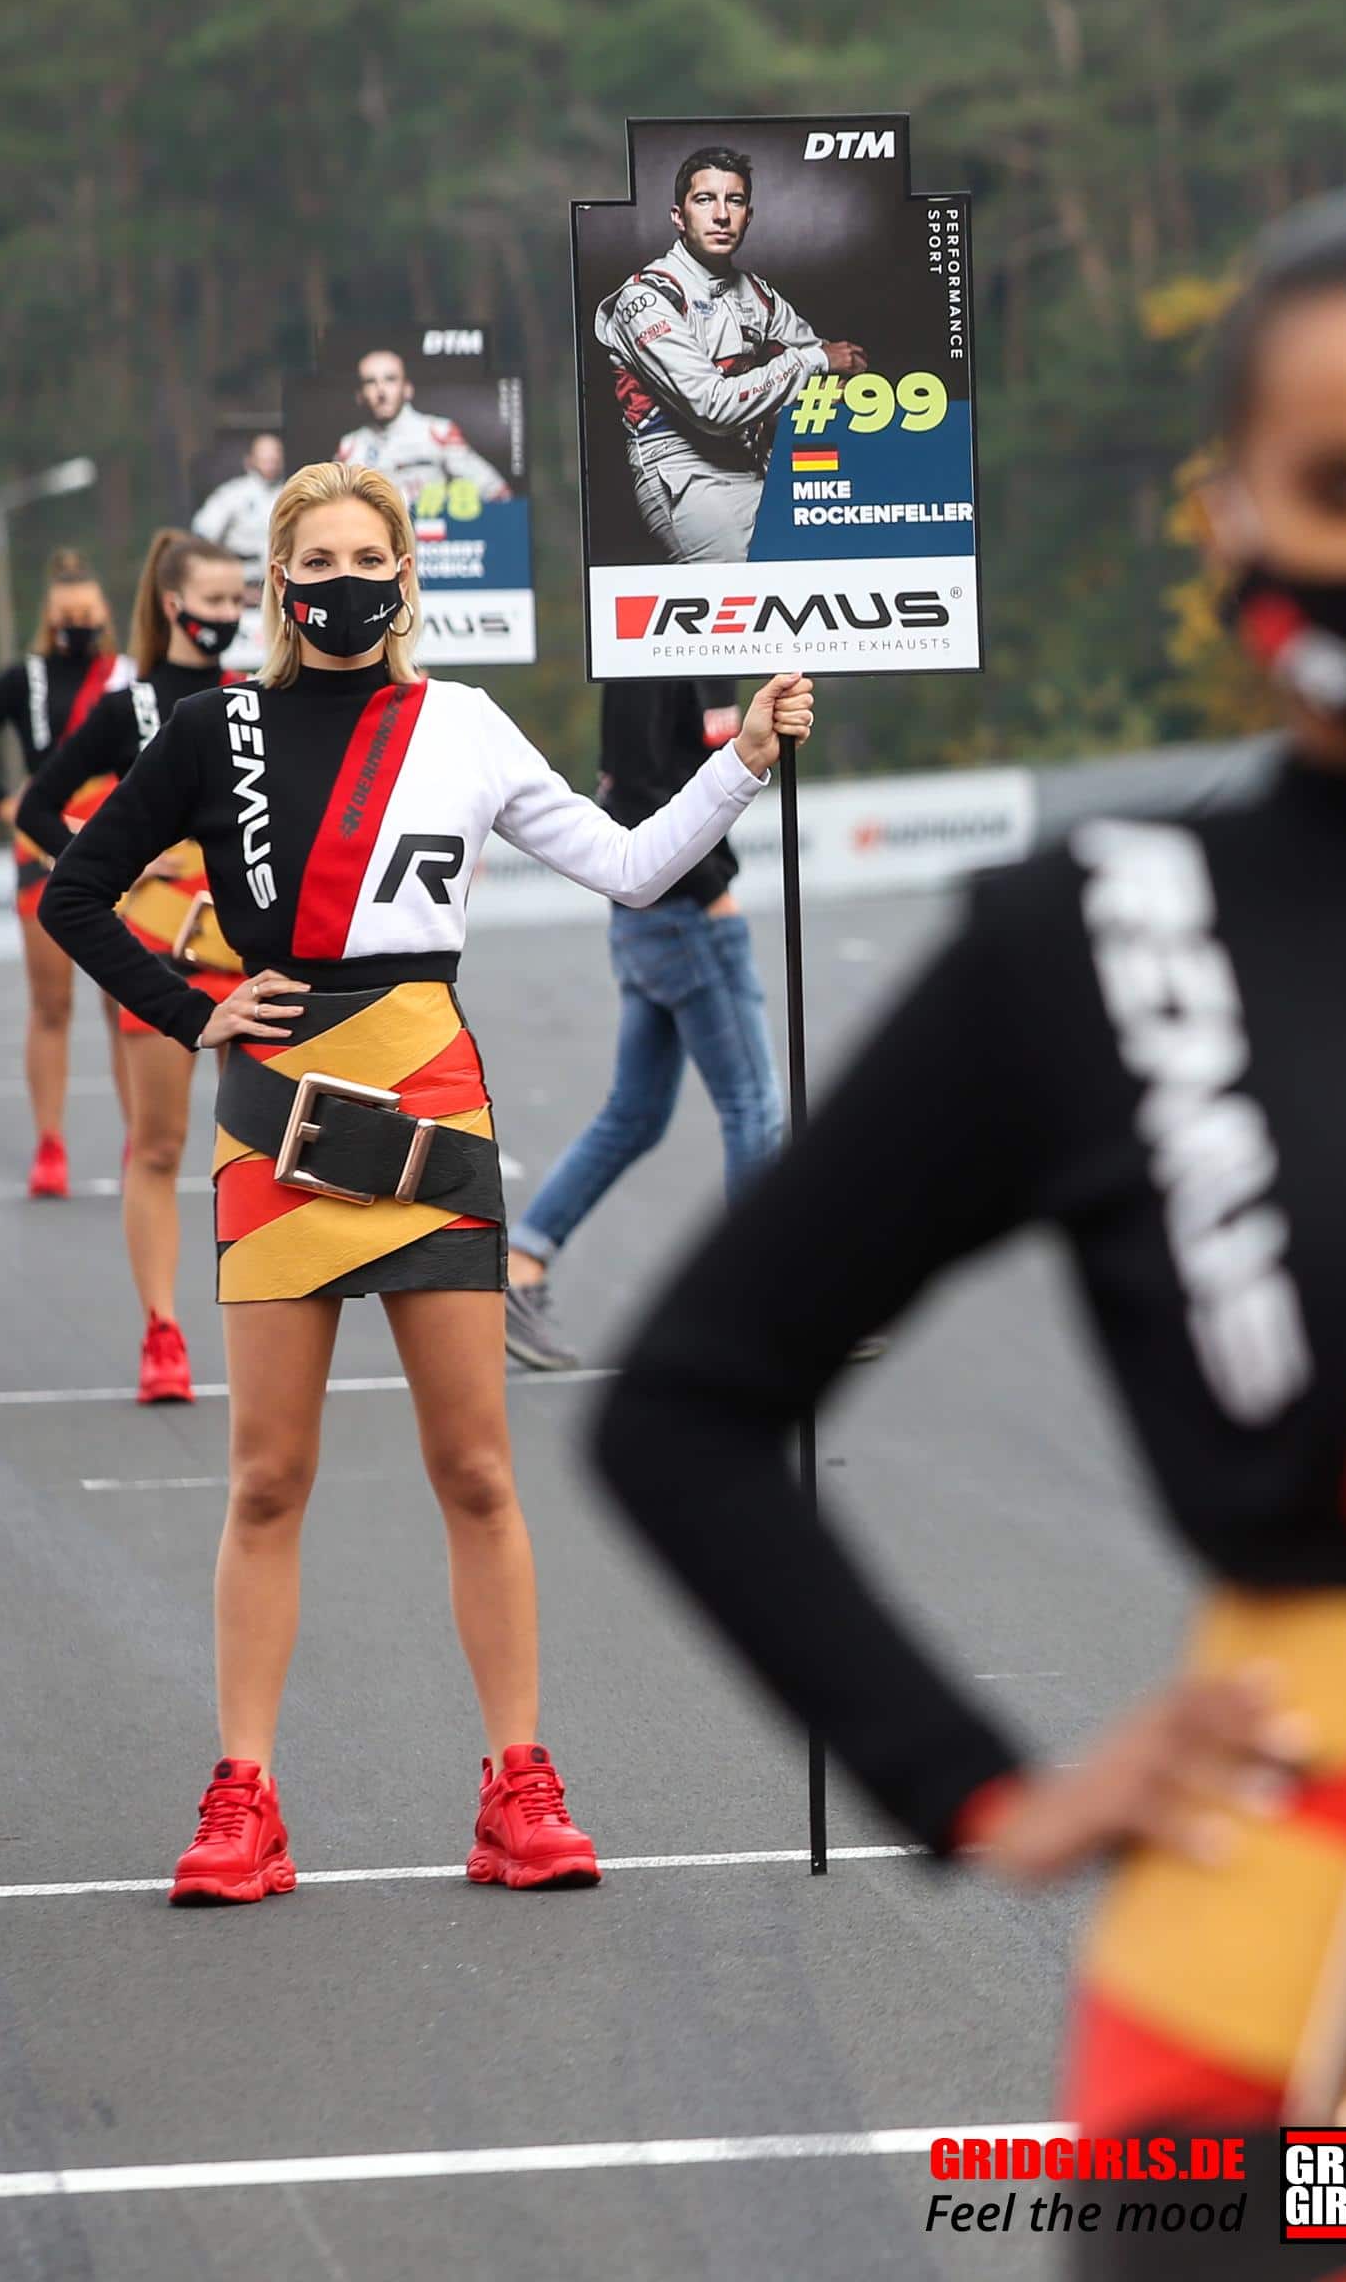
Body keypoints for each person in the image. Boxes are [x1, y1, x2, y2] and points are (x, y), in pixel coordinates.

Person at [593, 182, 1346, 2273]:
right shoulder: (1098, 928)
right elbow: (687, 1401)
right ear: (1224, 512)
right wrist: (981, 1786)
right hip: (1280, 2089)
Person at [40, 459, 811, 1905]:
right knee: (268, 1479)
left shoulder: (458, 725)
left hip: (429, 1109)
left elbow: (636, 868)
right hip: (275, 1121)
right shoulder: (219, 731)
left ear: (405, 575)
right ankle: (243, 1799)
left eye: (366, 555)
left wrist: (746, 757)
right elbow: (75, 886)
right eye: (315, 558)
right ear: (279, 587)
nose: (343, 579)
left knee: (473, 1469)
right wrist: (186, 1003)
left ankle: (517, 1786)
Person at [18, 532, 247, 1405]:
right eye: (213, 602)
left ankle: (267, 1325)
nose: (226, 618)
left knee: (258, 1147)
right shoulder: (131, 708)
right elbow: (38, 803)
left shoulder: (263, 697)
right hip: (156, 953)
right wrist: (100, 856)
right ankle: (162, 1331)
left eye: (237, 603)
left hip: (252, 954)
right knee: (157, 1146)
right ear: (171, 605)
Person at [504, 677, 782, 1372]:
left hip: (671, 919)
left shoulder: (714, 651)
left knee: (634, 1115)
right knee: (755, 1108)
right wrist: (710, 893)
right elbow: (628, 798)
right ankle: (767, 1306)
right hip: (681, 919)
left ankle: (523, 1264)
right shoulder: (650, 653)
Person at [0, 548, 132, 1197]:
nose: (78, 621)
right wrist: (5, 804)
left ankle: (139, 1140)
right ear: (49, 618)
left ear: (105, 613)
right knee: (51, 1003)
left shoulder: (128, 676)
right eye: (67, 613)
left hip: (117, 840)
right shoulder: (22, 678)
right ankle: (49, 1146)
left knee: (124, 1001)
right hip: (43, 840)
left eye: (88, 611)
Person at [595, 144, 867, 564]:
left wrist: (834, 378)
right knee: (737, 604)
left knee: (820, 569)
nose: (721, 214)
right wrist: (813, 363)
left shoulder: (757, 294)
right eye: (705, 199)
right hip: (681, 463)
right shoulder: (646, 298)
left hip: (750, 460)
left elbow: (836, 368)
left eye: (734, 200)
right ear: (678, 216)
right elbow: (712, 408)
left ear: (748, 216)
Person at [334, 348, 511, 510]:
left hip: (432, 540)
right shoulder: (349, 447)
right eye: (370, 382)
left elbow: (497, 493)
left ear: (407, 389)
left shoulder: (438, 433)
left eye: (390, 379)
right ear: (359, 396)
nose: (381, 391)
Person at [194, 430, 284, 676]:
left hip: (279, 599)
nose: (270, 462)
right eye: (264, 456)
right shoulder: (232, 496)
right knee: (234, 674)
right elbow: (202, 535)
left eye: (275, 456)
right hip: (239, 600)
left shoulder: (289, 495)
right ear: (250, 460)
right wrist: (228, 587)